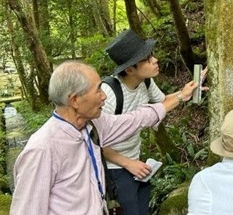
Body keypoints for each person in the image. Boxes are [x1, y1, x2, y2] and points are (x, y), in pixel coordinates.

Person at [10, 60, 198, 215]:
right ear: (75, 100)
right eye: (98, 90)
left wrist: (181, 96)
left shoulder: (92, 126)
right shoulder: (43, 149)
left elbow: (136, 119)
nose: (104, 97)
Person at [101, 29, 207, 215]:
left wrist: (188, 89)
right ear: (130, 69)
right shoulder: (108, 93)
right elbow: (97, 139)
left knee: (143, 208)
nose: (155, 60)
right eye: (147, 59)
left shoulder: (145, 82)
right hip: (115, 167)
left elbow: (163, 102)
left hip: (135, 161)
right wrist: (128, 163)